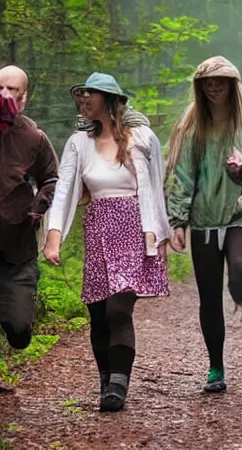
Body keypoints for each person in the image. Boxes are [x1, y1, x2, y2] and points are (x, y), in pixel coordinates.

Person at [44, 72, 170, 412]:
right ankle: (105, 379)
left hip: (134, 226)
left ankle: (118, 386)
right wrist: (53, 236)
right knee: (98, 313)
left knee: (118, 309)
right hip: (98, 227)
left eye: (91, 95)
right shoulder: (78, 142)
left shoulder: (141, 137)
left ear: (110, 100)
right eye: (81, 95)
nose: (84, 101)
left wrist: (159, 233)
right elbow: (65, 189)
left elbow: (156, 185)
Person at [166, 56, 242, 393]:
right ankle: (216, 367)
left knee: (240, 273)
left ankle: (240, 288)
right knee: (208, 297)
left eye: (220, 82)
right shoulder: (194, 128)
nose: (213, 88)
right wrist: (178, 220)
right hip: (206, 219)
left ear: (232, 85)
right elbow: (183, 176)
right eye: (208, 83)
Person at [0, 65, 59, 351]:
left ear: (23, 99)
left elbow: (51, 177)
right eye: (0, 88)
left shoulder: (34, 137)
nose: (4, 94)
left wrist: (39, 206)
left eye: (12, 90)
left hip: (18, 249)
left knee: (19, 330)